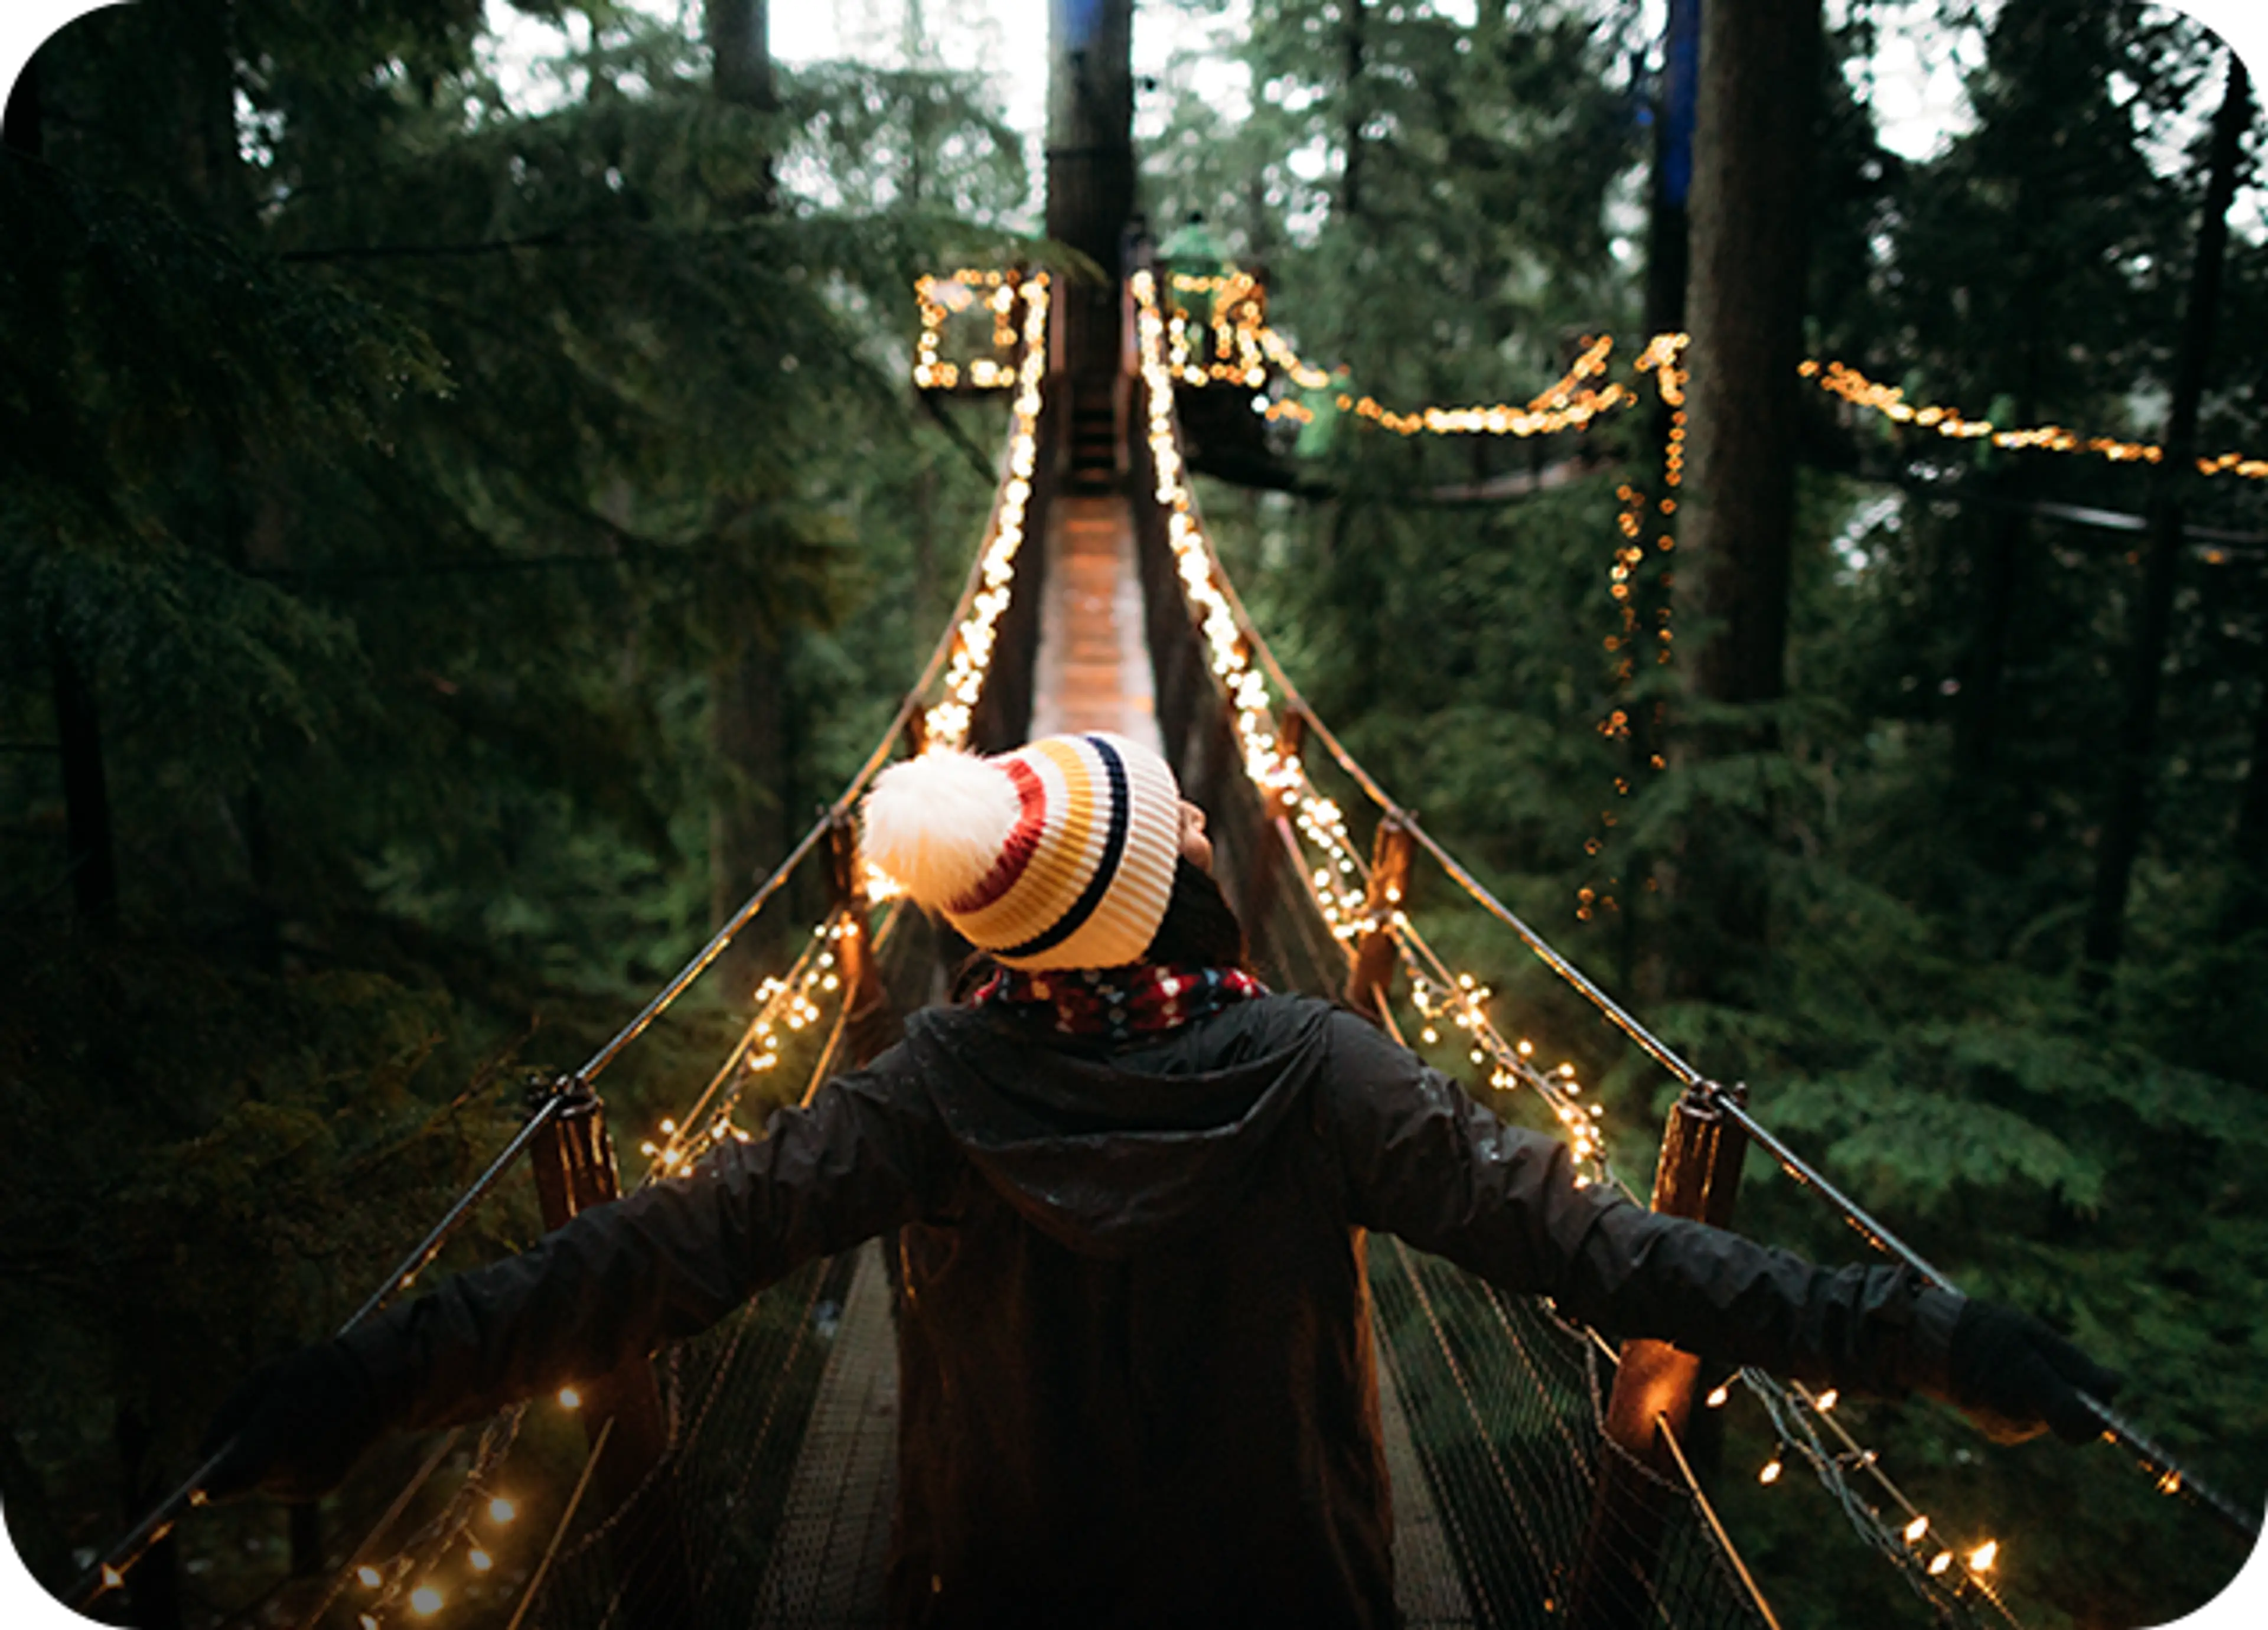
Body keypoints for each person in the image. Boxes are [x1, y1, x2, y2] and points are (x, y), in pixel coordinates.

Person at [201, 732, 2120, 1628]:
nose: (1206, 808)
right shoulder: (1324, 1072)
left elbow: (653, 1256)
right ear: (1173, 889)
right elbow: (1611, 1257)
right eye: (1180, 809)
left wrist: (365, 1389)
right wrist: (1933, 1340)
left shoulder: (933, 1083)